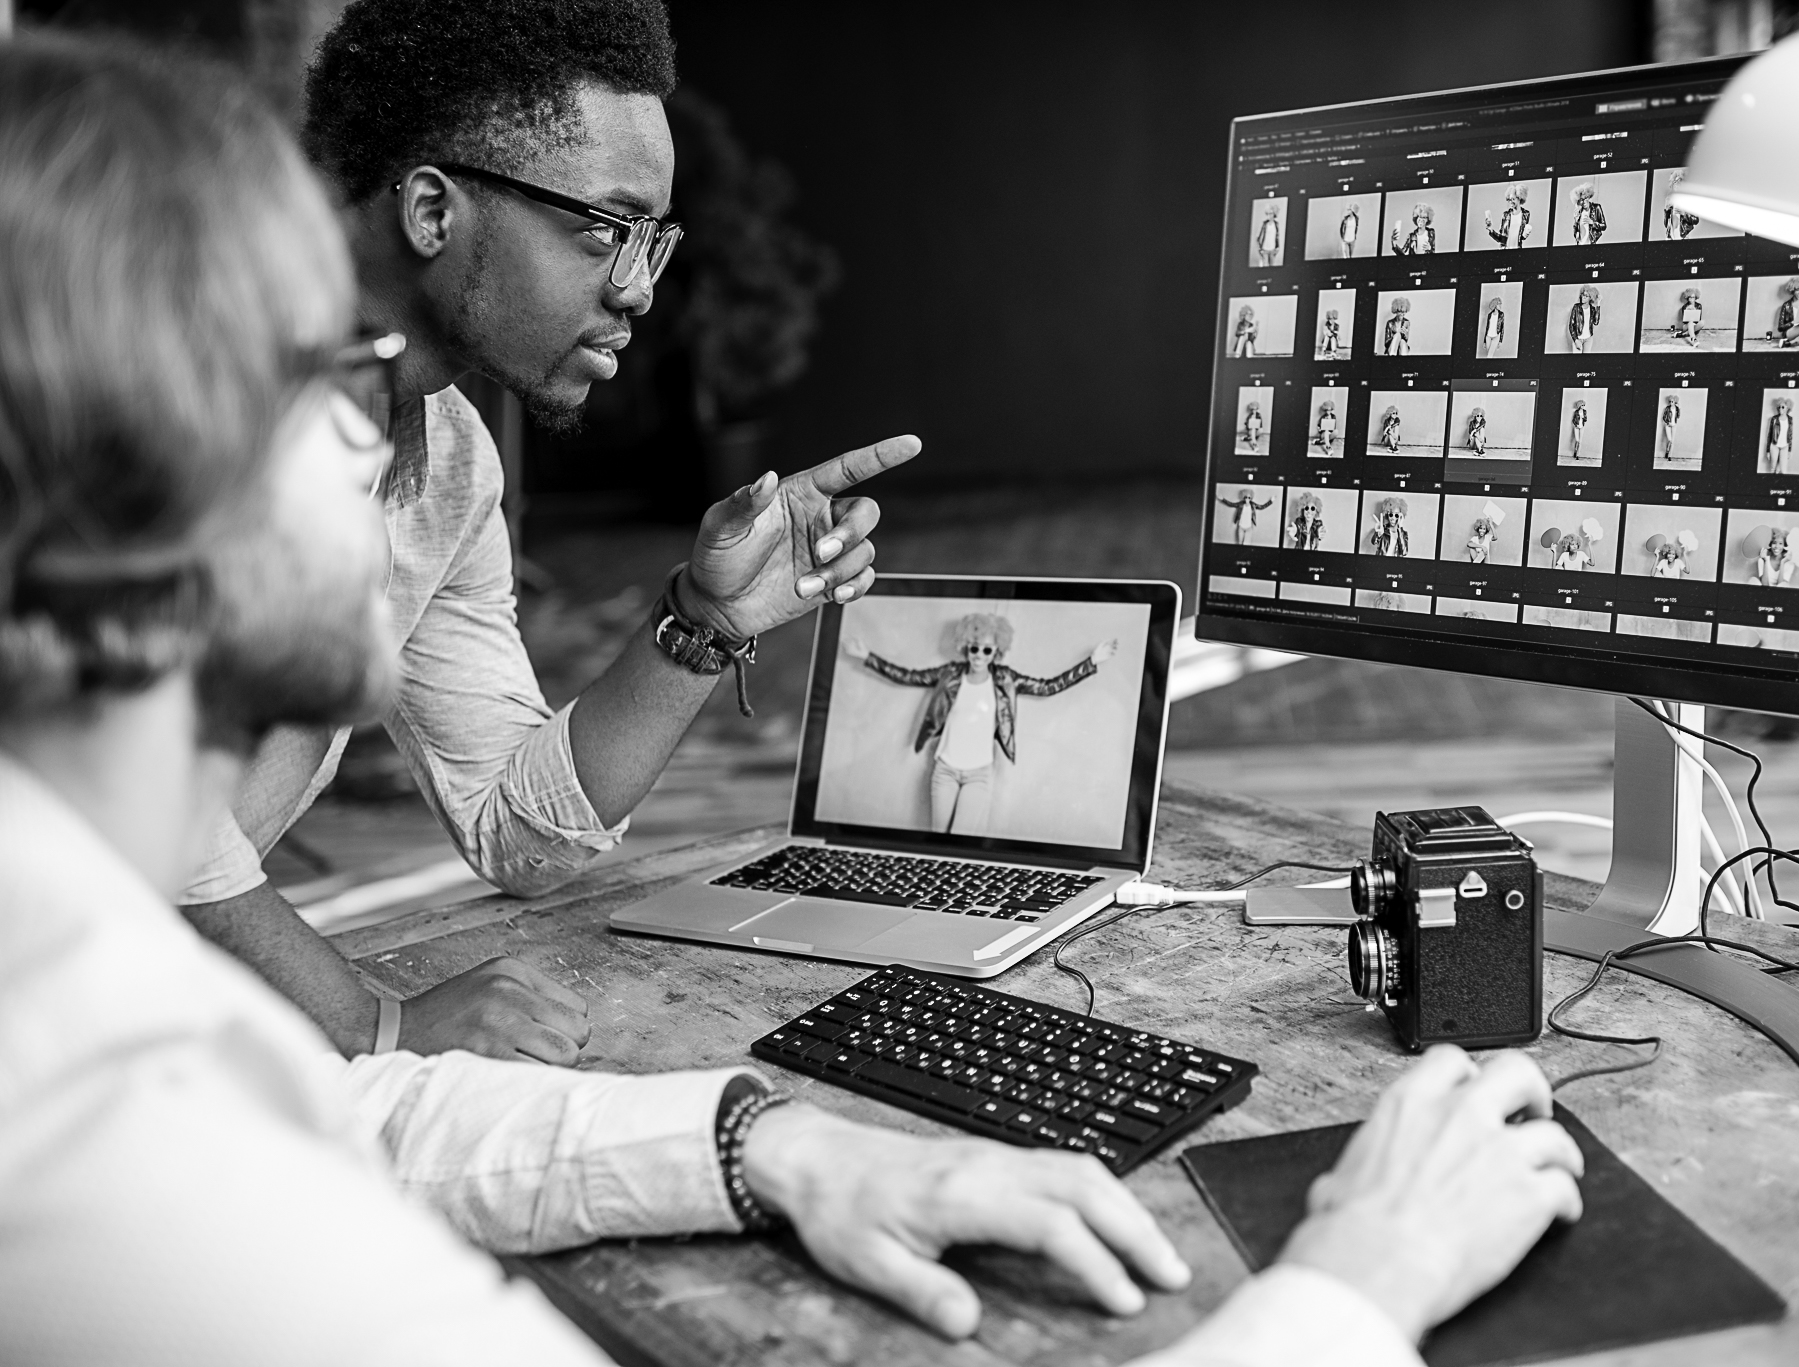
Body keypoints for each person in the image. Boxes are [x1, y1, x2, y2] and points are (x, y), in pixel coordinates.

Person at [0, 35, 1588, 1367]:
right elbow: (285, 1101)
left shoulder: (88, 965)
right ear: (125, 514)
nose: (382, 447)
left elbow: (364, 1087)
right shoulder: (84, 1134)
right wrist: (1355, 1288)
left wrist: (770, 1142)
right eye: (333, 381)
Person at [177, 0, 918, 1065]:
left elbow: (514, 829)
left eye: (654, 241)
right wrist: (372, 1020)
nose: (635, 291)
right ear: (432, 210)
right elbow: (143, 819)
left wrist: (699, 620)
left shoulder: (446, 464)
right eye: (604, 230)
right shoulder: (176, 386)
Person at [840, 618, 1114, 836]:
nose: (979, 655)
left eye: (987, 649)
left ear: (997, 651)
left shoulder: (1006, 678)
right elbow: (909, 676)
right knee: (938, 842)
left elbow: (1047, 687)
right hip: (944, 770)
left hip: (978, 774)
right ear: (965, 646)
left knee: (960, 842)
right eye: (974, 648)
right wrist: (867, 657)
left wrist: (1090, 663)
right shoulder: (949, 674)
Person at [1484, 182, 1532, 249]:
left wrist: (1526, 233)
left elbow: (1522, 238)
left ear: (1519, 198)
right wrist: (1491, 230)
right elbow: (1501, 238)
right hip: (1505, 251)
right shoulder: (1505, 215)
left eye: (1513, 199)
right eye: (1509, 200)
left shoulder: (1526, 214)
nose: (1510, 202)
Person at [1762, 397, 1796, 474]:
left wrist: (1789, 450)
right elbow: (1769, 435)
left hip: (1785, 446)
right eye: (1779, 407)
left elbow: (1790, 435)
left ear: (1788, 408)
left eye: (1783, 407)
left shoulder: (1790, 419)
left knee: (1782, 470)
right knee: (1772, 468)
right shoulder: (1774, 419)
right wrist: (1768, 451)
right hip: (1774, 445)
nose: (1780, 408)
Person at [1569, 181, 1606, 245]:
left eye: (1585, 199)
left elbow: (1604, 226)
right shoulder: (1579, 211)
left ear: (1589, 197)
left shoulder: (1596, 207)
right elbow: (1576, 231)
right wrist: (1575, 220)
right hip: (1580, 244)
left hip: (1591, 243)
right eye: (1581, 201)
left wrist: (1592, 223)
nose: (1583, 202)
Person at [1567, 284, 1601, 353]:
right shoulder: (1576, 307)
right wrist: (1575, 340)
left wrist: (1598, 304)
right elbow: (1571, 325)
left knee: (1586, 361)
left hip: (1588, 339)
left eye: (1586, 296)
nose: (1583, 297)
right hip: (1578, 338)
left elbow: (1596, 322)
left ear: (1590, 298)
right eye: (1583, 294)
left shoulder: (1592, 309)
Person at [1659, 392, 1685, 466]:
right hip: (1668, 425)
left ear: (1675, 402)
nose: (1671, 402)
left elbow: (1678, 417)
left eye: (1672, 401)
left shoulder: (1676, 409)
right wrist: (1667, 422)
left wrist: (1679, 409)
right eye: (1670, 401)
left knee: (1672, 442)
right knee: (1670, 440)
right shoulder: (1667, 408)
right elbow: (1664, 417)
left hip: (1674, 425)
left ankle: (1669, 456)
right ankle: (1667, 451)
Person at [1255, 202, 1283, 266]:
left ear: (1274, 214)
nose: (1269, 215)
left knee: (1272, 267)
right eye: (1267, 213)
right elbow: (1257, 237)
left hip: (1273, 249)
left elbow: (1277, 236)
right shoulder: (1264, 224)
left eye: (1271, 213)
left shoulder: (1276, 224)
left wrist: (1277, 247)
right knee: (1265, 266)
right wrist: (1259, 249)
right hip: (1264, 249)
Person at [1566, 399, 1591, 463]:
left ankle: (1577, 455)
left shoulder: (1585, 411)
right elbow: (1573, 420)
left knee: (1580, 442)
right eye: (1582, 405)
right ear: (1579, 405)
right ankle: (1575, 451)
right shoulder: (1576, 412)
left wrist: (1583, 417)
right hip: (1576, 427)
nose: (1583, 406)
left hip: (1582, 427)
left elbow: (1586, 419)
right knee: (1577, 440)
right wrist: (1575, 425)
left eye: (1584, 405)